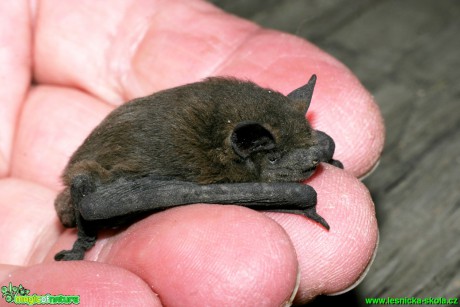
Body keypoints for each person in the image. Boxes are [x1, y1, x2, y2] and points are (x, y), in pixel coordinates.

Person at [0, 1, 384, 305]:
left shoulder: (234, 118)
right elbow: (90, 194)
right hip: (105, 181)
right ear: (247, 146)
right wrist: (85, 240)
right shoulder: (211, 157)